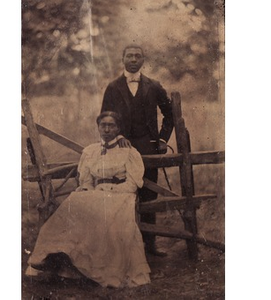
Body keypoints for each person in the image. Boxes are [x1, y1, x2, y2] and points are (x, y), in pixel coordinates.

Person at [25, 111, 151, 288]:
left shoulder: (129, 152)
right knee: (73, 205)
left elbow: (133, 183)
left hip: (121, 195)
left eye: (111, 125)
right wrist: (88, 190)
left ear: (119, 129)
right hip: (94, 193)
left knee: (99, 209)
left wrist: (110, 190)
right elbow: (85, 180)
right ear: (98, 127)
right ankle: (57, 257)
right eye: (103, 125)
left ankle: (95, 268)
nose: (107, 129)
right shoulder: (90, 151)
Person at [101, 44, 174, 256]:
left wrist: (162, 138)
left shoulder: (154, 86)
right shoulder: (113, 87)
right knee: (121, 194)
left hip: (148, 147)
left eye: (137, 56)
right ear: (122, 58)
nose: (133, 59)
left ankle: (150, 245)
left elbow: (170, 115)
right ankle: (123, 246)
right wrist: (118, 136)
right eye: (129, 56)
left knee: (149, 194)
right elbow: (105, 118)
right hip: (120, 146)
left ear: (143, 60)